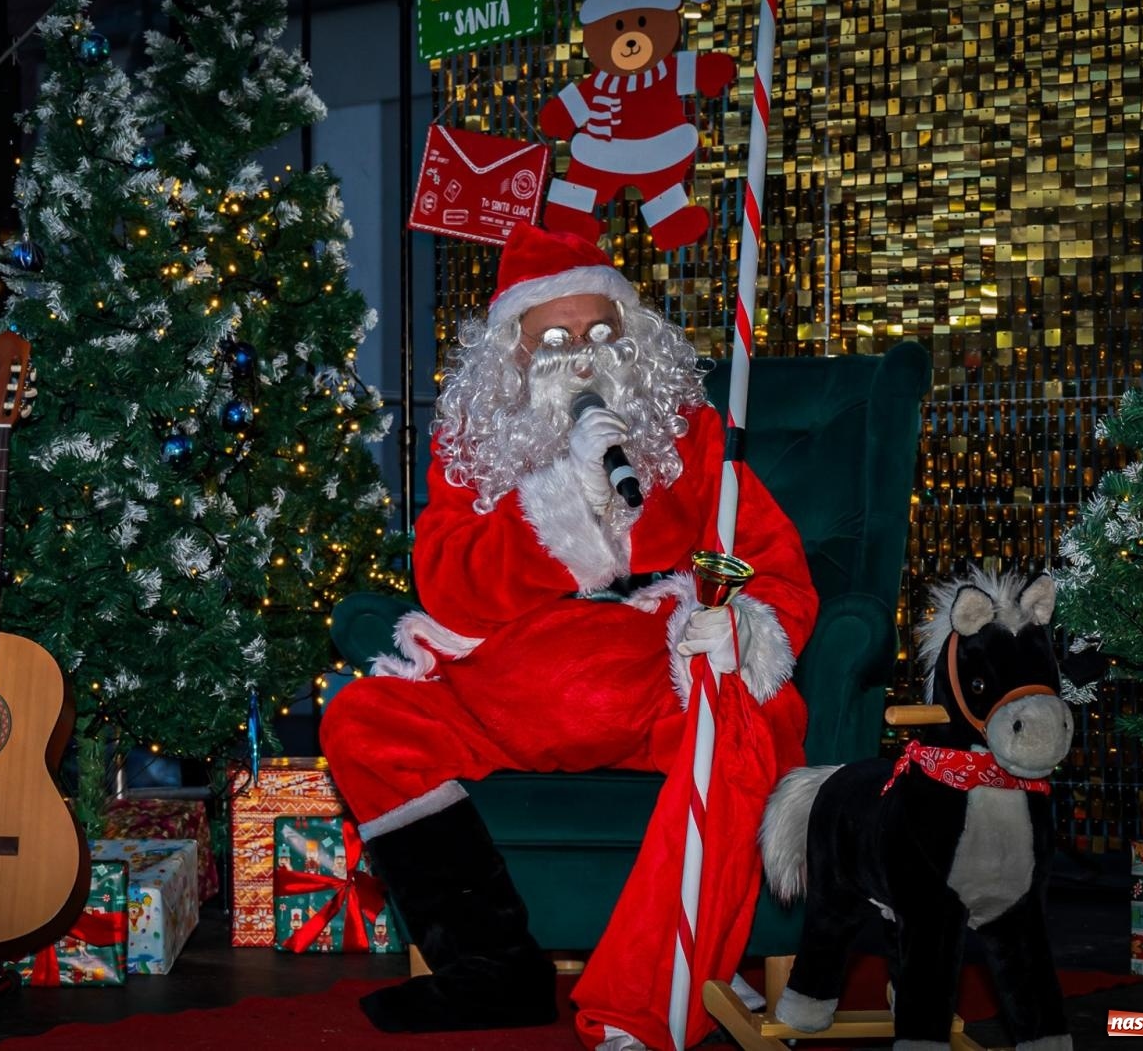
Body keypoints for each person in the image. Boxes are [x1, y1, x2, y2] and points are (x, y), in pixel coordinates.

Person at [320, 222, 817, 1050]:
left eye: (599, 333)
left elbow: (770, 564)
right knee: (362, 719)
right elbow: (447, 584)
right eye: (553, 337)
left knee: (749, 724)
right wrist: (561, 506)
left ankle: (653, 992)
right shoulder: (474, 451)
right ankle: (491, 968)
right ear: (513, 351)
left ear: (633, 340)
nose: (579, 356)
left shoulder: (690, 441)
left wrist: (745, 626)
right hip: (501, 699)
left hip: (655, 695)